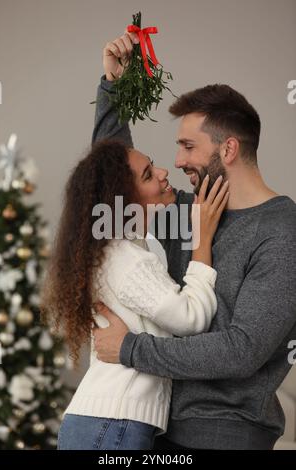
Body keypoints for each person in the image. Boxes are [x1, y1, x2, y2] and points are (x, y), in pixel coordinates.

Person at [92, 30, 296, 450]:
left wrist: (131, 349)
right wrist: (113, 88)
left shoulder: (282, 231)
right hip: (158, 425)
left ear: (229, 150)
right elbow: (115, 184)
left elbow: (241, 351)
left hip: (225, 431)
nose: (178, 160)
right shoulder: (186, 213)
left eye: (188, 146)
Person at [41, 102, 229, 448]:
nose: (162, 173)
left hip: (107, 424)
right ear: (123, 200)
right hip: (113, 426)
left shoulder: (127, 249)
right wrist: (202, 239)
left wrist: (114, 87)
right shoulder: (127, 259)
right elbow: (191, 319)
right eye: (147, 175)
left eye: (153, 165)